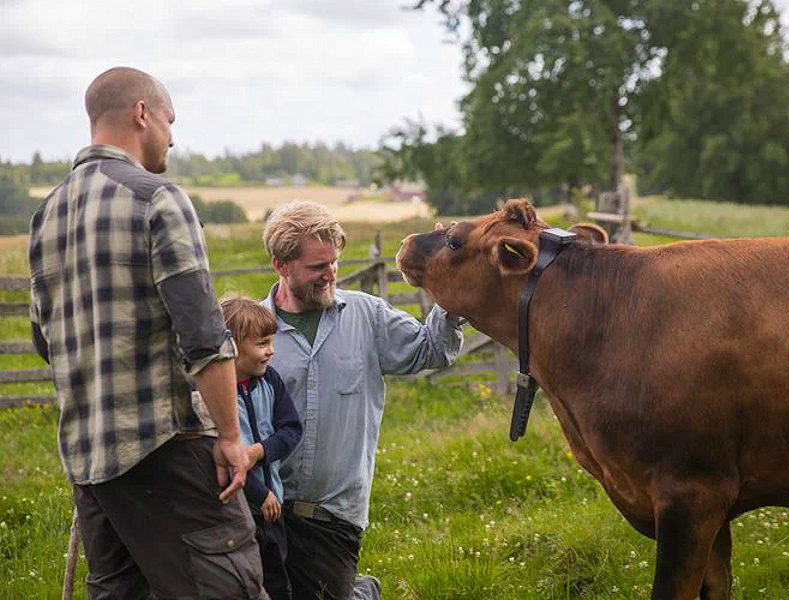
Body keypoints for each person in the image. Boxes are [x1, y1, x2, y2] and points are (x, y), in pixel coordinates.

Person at [28, 66, 268, 600]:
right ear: (142, 114)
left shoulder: (45, 216)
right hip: (168, 448)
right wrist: (231, 437)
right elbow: (205, 337)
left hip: (92, 466)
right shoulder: (158, 197)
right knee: (228, 589)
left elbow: (46, 342)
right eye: (169, 120)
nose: (173, 136)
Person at [260, 201, 464, 600]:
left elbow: (431, 350)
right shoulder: (253, 331)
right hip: (264, 506)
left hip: (334, 514)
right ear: (281, 265)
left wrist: (450, 283)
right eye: (317, 267)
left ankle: (360, 593)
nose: (329, 274)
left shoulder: (366, 316)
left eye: (334, 262)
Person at [222, 296, 303, 600]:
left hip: (272, 510)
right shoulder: (217, 394)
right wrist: (259, 493)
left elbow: (291, 429)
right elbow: (216, 456)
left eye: (271, 341)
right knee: (244, 584)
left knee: (277, 580)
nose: (271, 350)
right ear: (232, 347)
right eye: (262, 343)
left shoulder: (269, 380)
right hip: (239, 512)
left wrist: (258, 451)